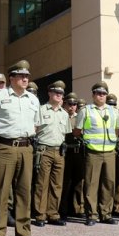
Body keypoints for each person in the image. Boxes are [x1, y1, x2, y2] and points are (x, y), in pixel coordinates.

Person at [0, 60, 41, 236]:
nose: (25, 79)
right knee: (1, 190)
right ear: (11, 77)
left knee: (24, 191)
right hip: (5, 147)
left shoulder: (33, 99)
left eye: (27, 76)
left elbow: (36, 125)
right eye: (21, 76)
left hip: (26, 148)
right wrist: (1, 136)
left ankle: (23, 232)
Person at [74, 81, 119, 226]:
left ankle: (106, 214)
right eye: (98, 93)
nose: (101, 96)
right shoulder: (86, 111)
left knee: (109, 183)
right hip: (93, 152)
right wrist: (88, 141)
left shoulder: (114, 111)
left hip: (109, 152)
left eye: (103, 94)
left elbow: (118, 129)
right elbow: (77, 132)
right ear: (93, 95)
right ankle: (92, 215)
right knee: (91, 184)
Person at [32, 81, 70, 227]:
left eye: (61, 94)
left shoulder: (64, 114)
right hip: (44, 150)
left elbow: (65, 133)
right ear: (49, 93)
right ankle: (40, 215)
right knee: (42, 184)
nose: (59, 95)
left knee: (57, 184)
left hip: (59, 151)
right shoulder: (41, 110)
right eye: (56, 92)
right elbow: (34, 129)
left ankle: (53, 214)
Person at [60, 92, 85, 220]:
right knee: (65, 183)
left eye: (74, 104)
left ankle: (77, 208)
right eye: (69, 104)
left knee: (78, 182)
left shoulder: (79, 117)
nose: (72, 107)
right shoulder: (61, 116)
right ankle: (63, 209)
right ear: (65, 104)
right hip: (65, 153)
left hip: (78, 153)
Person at [106, 93, 119, 217]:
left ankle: (118, 207)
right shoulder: (103, 117)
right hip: (107, 152)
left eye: (114, 104)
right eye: (110, 104)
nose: (112, 107)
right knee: (107, 180)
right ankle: (105, 207)